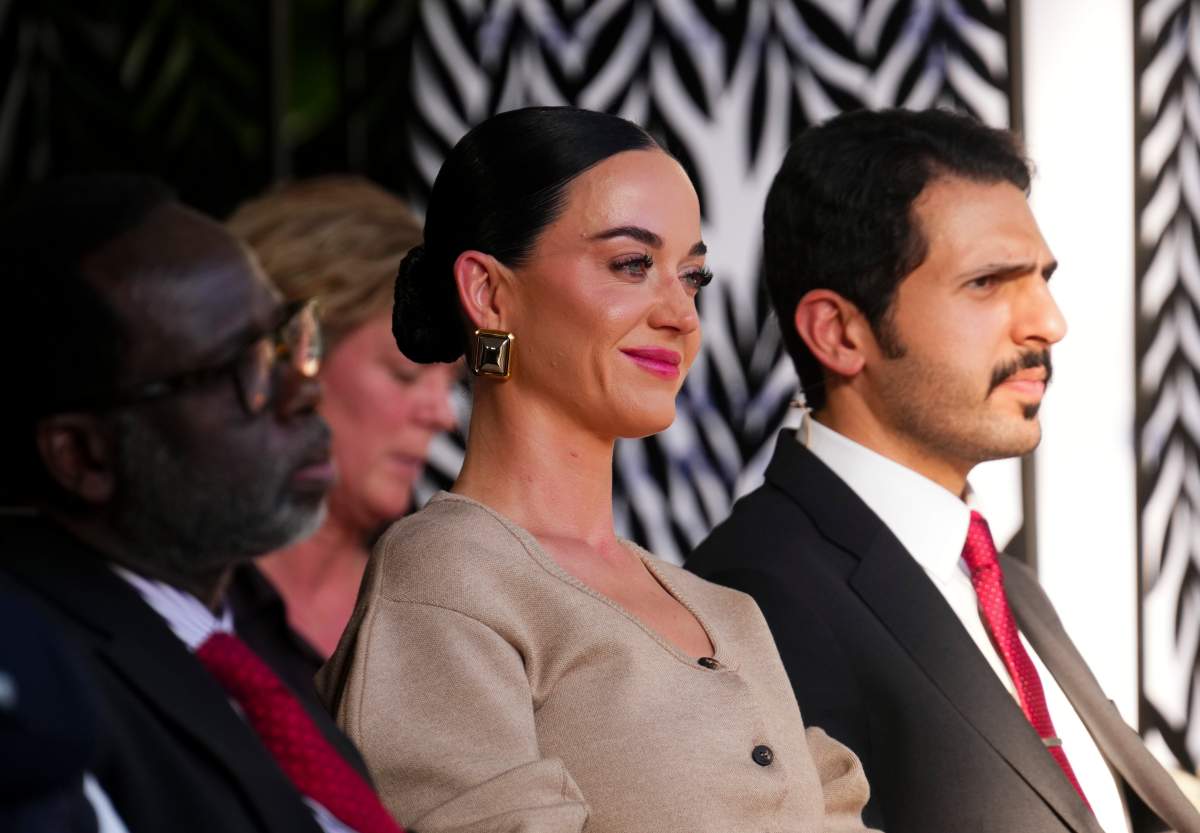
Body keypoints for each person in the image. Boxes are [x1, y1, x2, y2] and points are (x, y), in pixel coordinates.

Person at [317, 106, 877, 833]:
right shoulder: (445, 582)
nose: (681, 313)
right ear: (488, 293)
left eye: (693, 276)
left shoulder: (728, 613)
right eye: (631, 264)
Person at [687, 108, 1200, 833]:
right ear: (838, 332)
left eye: (1042, 279)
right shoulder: (748, 597)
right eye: (989, 282)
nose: (1048, 322)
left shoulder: (1000, 578)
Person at [0, 175, 407, 833]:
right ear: (83, 455)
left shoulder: (240, 625)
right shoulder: (35, 682)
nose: (301, 389)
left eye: (286, 336)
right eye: (240, 369)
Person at [226, 177, 457, 680]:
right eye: (406, 373)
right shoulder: (178, 594)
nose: (444, 414)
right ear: (285, 361)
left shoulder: (432, 614)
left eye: (452, 382)